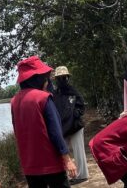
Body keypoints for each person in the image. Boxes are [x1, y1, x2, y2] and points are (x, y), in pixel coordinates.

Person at [11, 56, 78, 188]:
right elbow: (55, 132)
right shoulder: (43, 98)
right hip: (50, 163)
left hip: (29, 165)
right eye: (45, 77)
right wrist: (67, 159)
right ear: (37, 78)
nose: (47, 81)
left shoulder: (14, 101)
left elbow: (17, 132)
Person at [51, 66, 89, 184]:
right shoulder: (55, 94)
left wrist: (76, 114)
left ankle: (82, 175)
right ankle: (67, 176)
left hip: (75, 126)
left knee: (79, 151)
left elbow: (81, 105)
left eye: (64, 77)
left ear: (67, 78)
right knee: (63, 152)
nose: (62, 80)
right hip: (63, 127)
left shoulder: (73, 91)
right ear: (56, 79)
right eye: (59, 78)